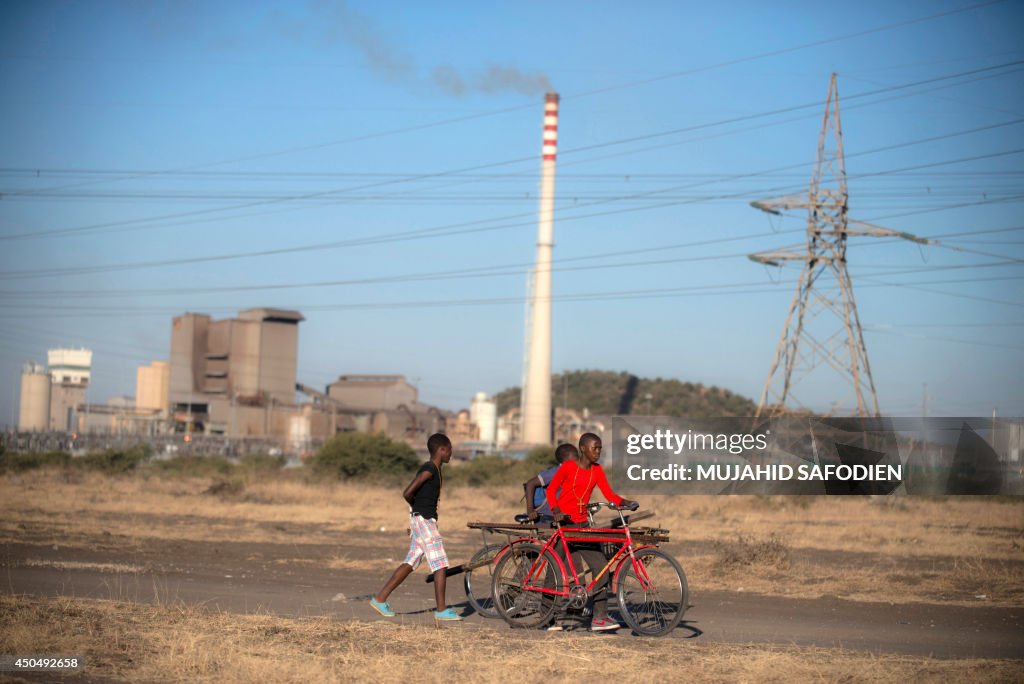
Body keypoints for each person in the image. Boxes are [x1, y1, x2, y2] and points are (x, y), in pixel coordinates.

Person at [546, 432, 636, 632]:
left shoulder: (597, 470)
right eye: (595, 447)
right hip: (564, 526)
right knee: (553, 569)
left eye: (600, 448)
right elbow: (551, 491)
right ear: (583, 448)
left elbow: (609, 494)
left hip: (582, 525)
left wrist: (625, 502)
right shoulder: (568, 467)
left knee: (601, 567)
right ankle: (547, 617)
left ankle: (599, 618)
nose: (598, 451)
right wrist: (556, 511)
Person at [369, 433, 462, 621]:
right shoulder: (429, 469)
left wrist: (415, 515)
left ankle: (379, 599)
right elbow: (408, 492)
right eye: (450, 450)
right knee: (440, 564)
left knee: (411, 562)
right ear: (442, 449)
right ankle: (441, 610)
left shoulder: (434, 468)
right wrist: (418, 512)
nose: (451, 453)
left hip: (421, 520)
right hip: (424, 521)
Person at [523, 443, 577, 523]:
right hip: (548, 518)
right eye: (576, 457)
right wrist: (530, 510)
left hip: (565, 517)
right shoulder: (555, 472)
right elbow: (530, 483)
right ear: (566, 460)